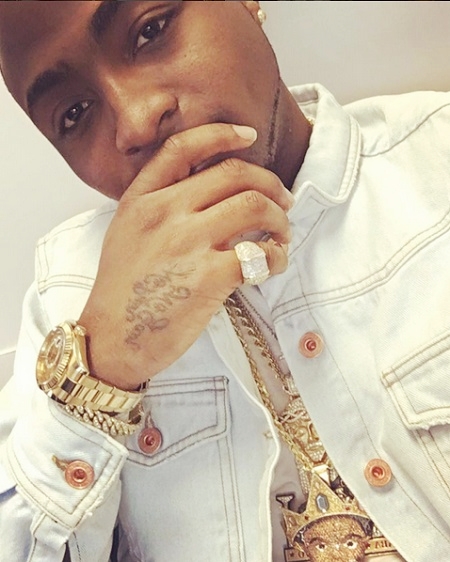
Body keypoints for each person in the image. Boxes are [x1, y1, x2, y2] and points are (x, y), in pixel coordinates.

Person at [0, 2, 449, 561]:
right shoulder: (66, 300)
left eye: (150, 31)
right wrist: (101, 370)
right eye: (73, 114)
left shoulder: (436, 165)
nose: (137, 120)